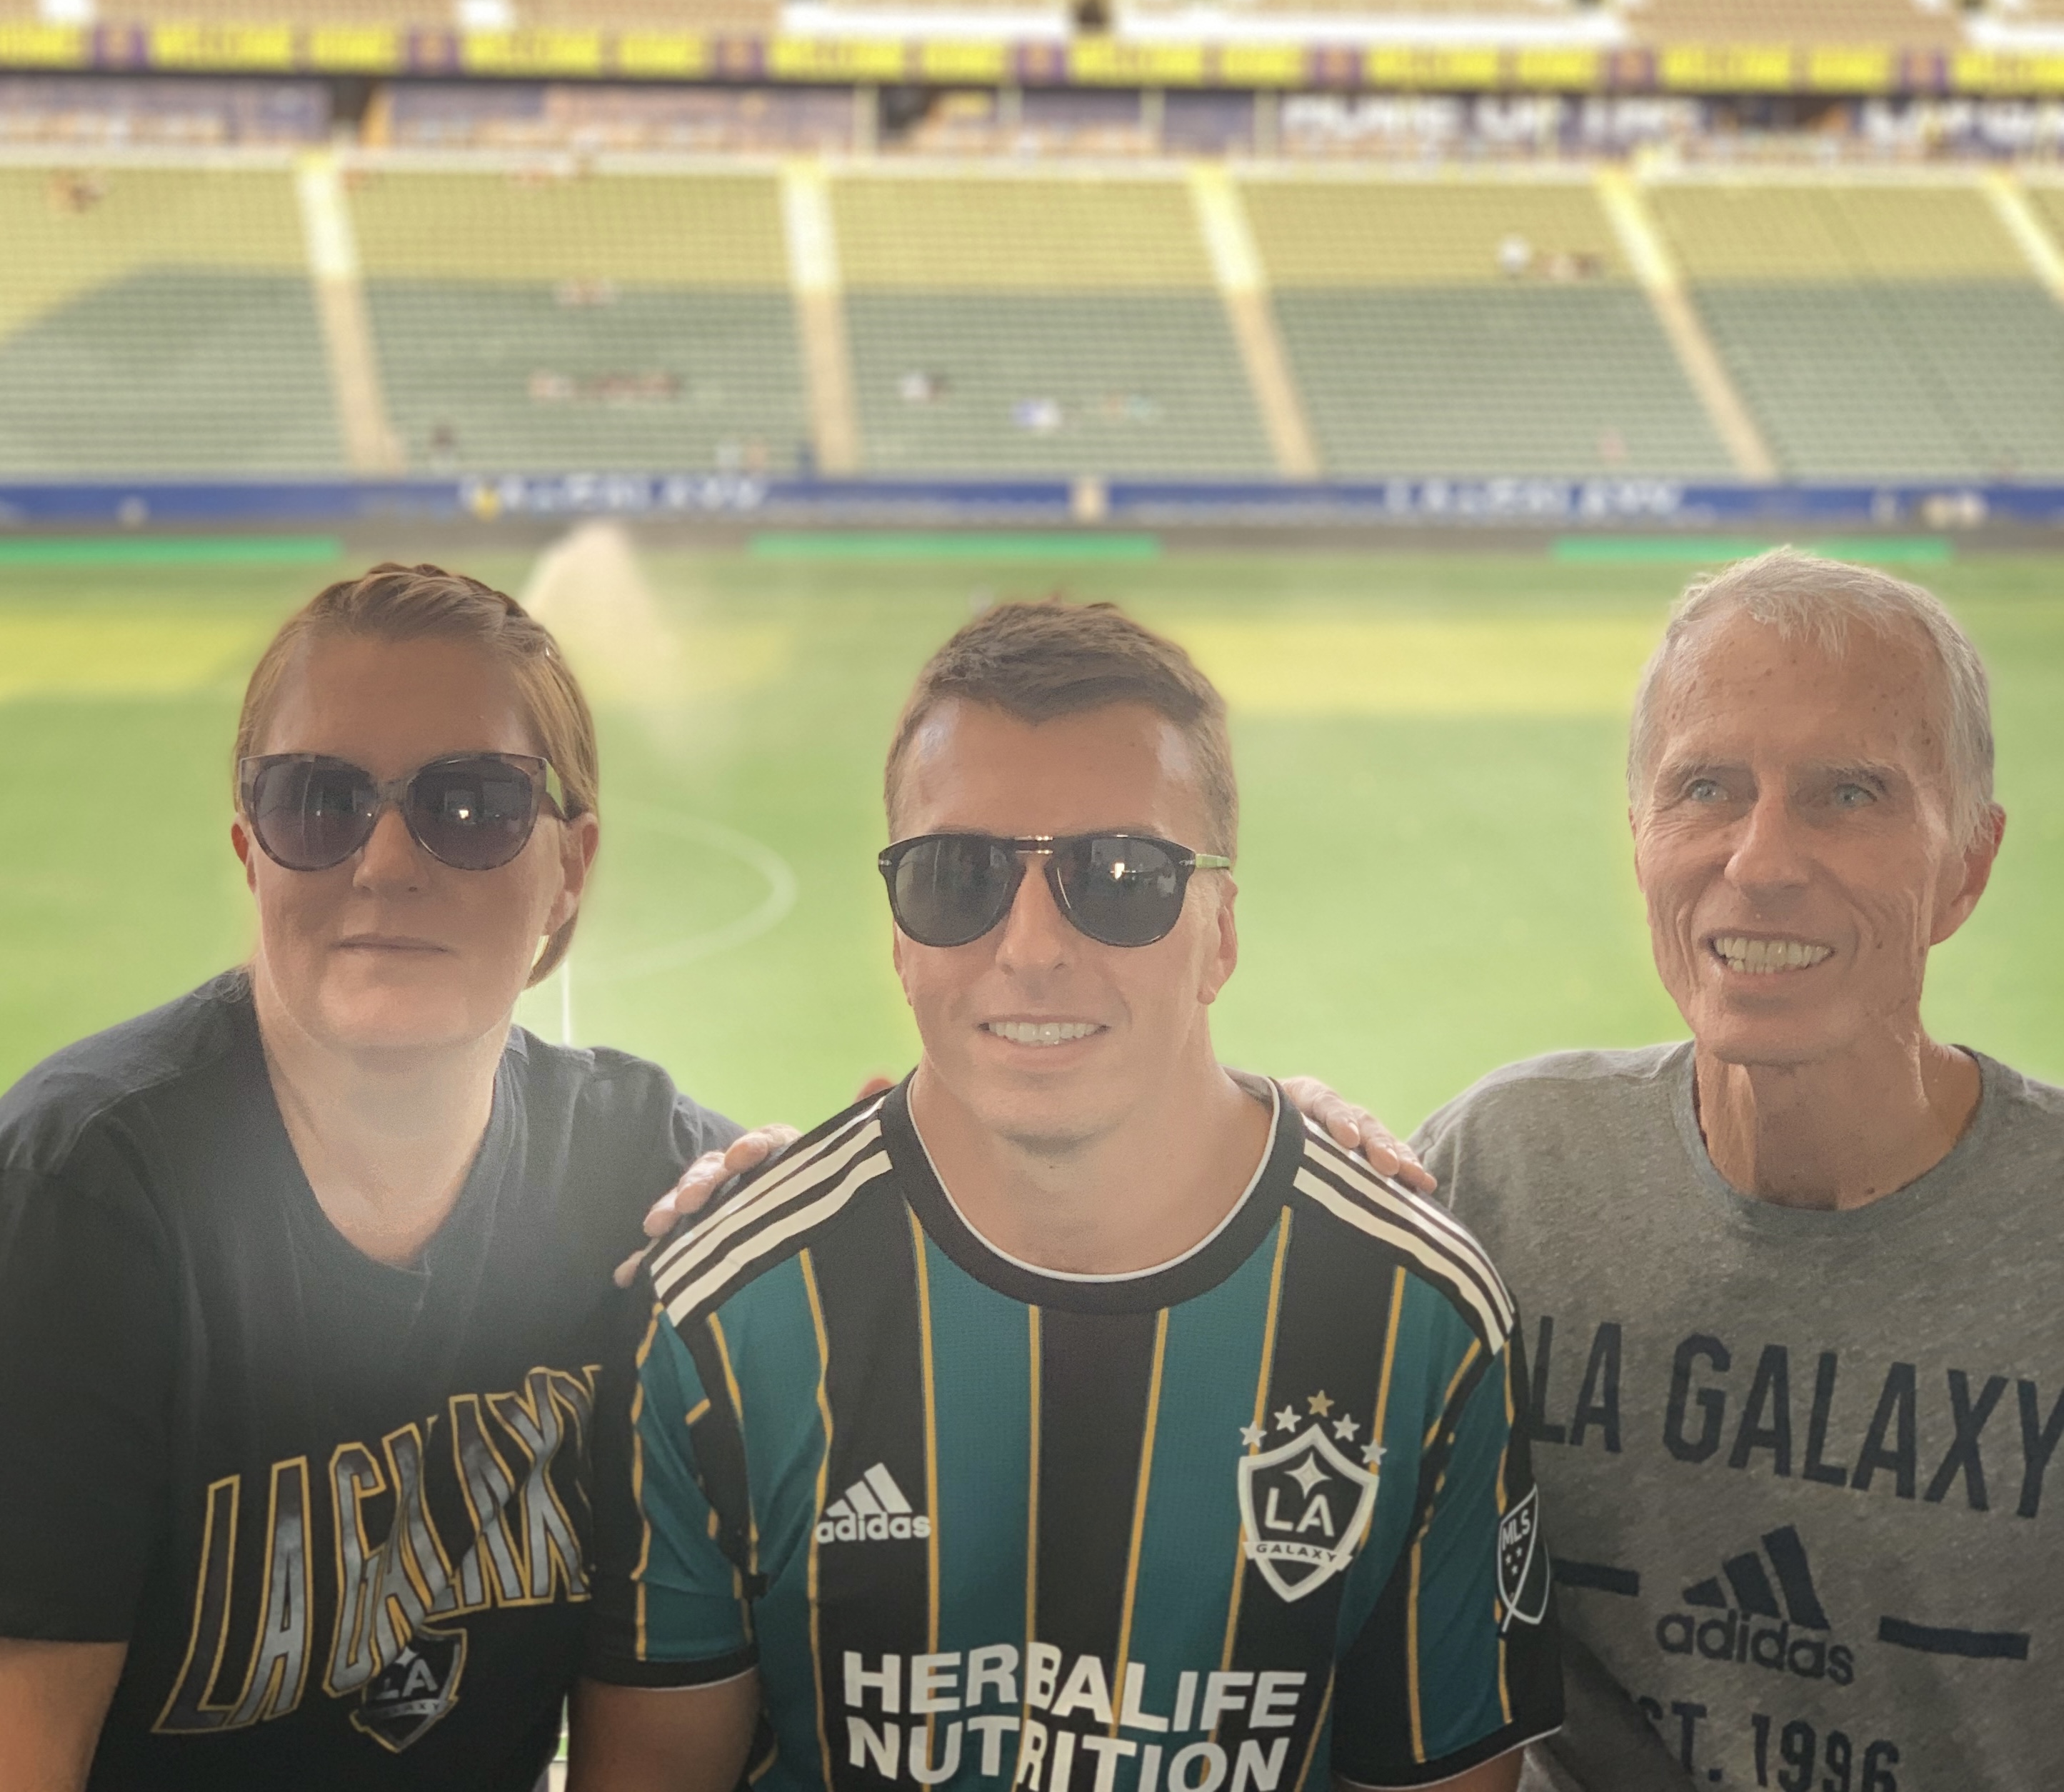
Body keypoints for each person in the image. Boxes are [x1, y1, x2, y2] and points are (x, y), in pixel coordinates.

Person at [0, 562, 1406, 1792]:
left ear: (569, 867)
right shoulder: (89, 1192)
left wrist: (1254, 1133)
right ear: (248, 846)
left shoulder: (643, 1165)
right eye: (317, 801)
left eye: (471, 804)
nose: (385, 860)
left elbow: (914, 1177)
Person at [571, 600, 1562, 1792]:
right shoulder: (722, 1320)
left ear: (1219, 932)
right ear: (898, 937)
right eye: (958, 876)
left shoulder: (1420, 1320)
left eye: (1121, 875)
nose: (1032, 945)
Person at [1413, 551, 2058, 1791]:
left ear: (1967, 867)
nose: (1759, 861)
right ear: (1640, 838)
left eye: (1847, 793)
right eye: (1705, 788)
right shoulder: (1498, 1175)